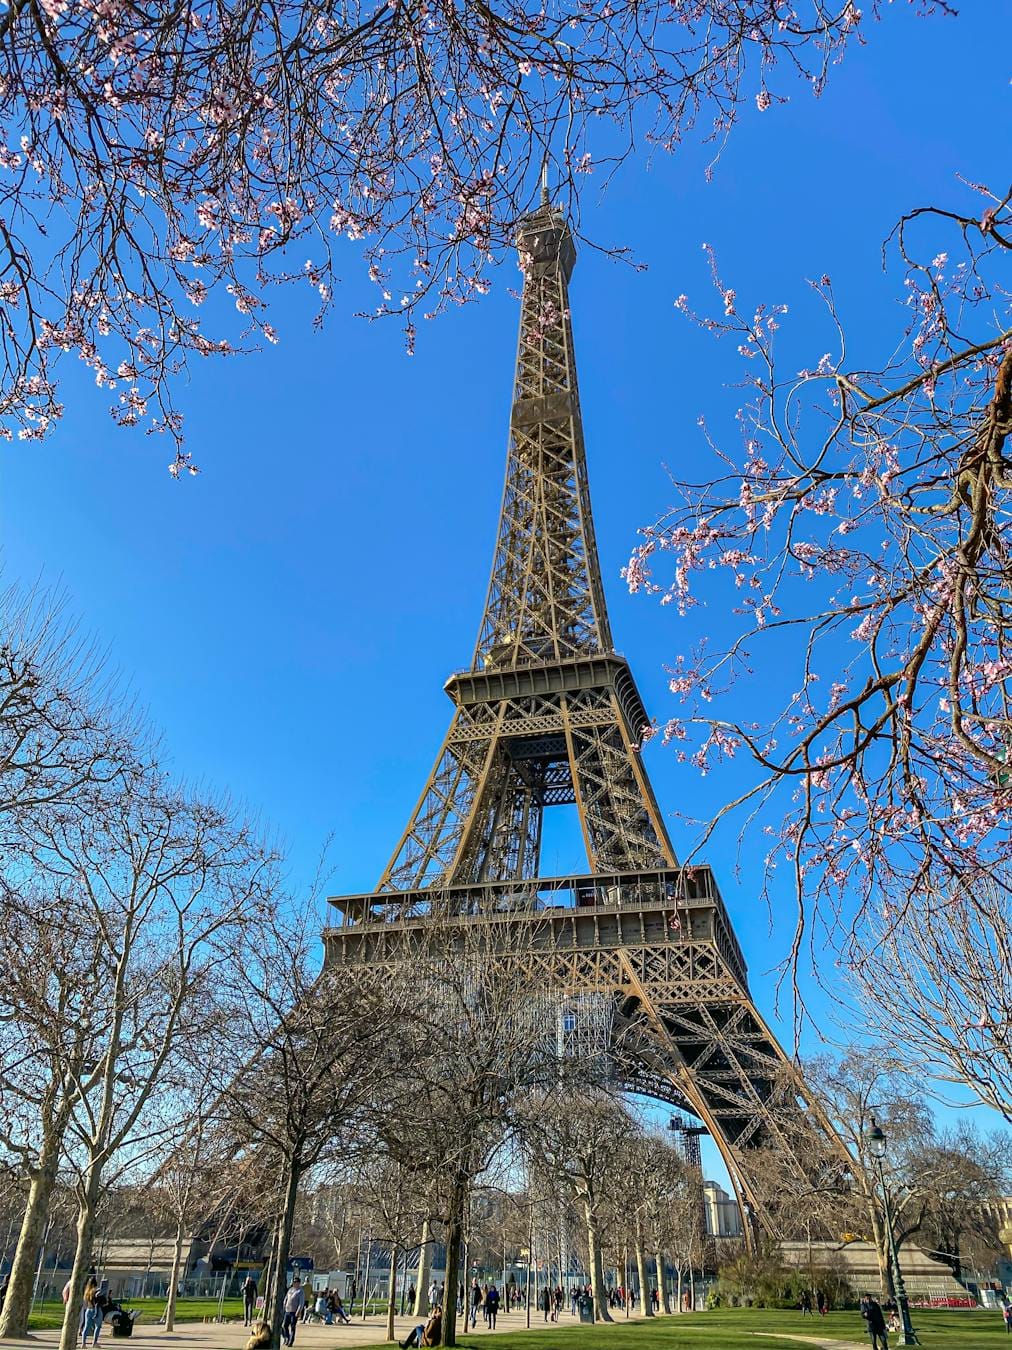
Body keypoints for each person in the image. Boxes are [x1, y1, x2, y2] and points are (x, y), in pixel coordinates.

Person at [281, 1277, 305, 1347]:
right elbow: (286, 1298)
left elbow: (301, 1302)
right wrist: (284, 1305)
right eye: (294, 1282)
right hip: (287, 1311)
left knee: (292, 1326)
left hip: (294, 1312)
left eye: (296, 1282)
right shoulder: (290, 1290)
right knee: (285, 1325)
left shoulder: (300, 1291)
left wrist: (298, 1311)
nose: (295, 1283)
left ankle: (291, 1341)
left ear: (299, 1283)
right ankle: (287, 1338)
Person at [80, 1278, 100, 1349]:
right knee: (98, 1326)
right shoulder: (96, 1291)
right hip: (96, 1309)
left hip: (88, 1309)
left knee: (86, 1327)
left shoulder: (87, 1291)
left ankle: (83, 1343)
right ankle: (94, 1342)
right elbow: (98, 1300)